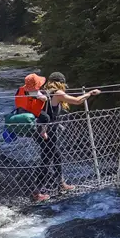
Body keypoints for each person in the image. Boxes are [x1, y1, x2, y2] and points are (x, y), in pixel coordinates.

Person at [32, 72, 100, 202]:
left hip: (40, 129)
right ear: (60, 83)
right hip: (48, 131)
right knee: (46, 160)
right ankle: (37, 191)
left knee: (56, 156)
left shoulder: (42, 91)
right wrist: (90, 93)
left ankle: (60, 183)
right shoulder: (57, 93)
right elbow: (77, 101)